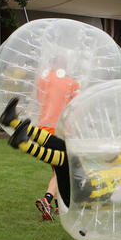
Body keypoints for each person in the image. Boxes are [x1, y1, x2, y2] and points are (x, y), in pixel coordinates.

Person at [0, 98, 121, 209]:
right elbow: (108, 156)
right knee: (65, 147)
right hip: (82, 181)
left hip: (81, 197)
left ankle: (23, 143)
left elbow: (116, 199)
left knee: (71, 158)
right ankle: (13, 122)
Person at [33, 58, 80, 220]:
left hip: (43, 131)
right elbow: (75, 109)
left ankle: (59, 205)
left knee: (57, 168)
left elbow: (40, 101)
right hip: (60, 131)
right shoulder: (72, 84)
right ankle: (47, 199)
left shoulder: (42, 81)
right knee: (61, 168)